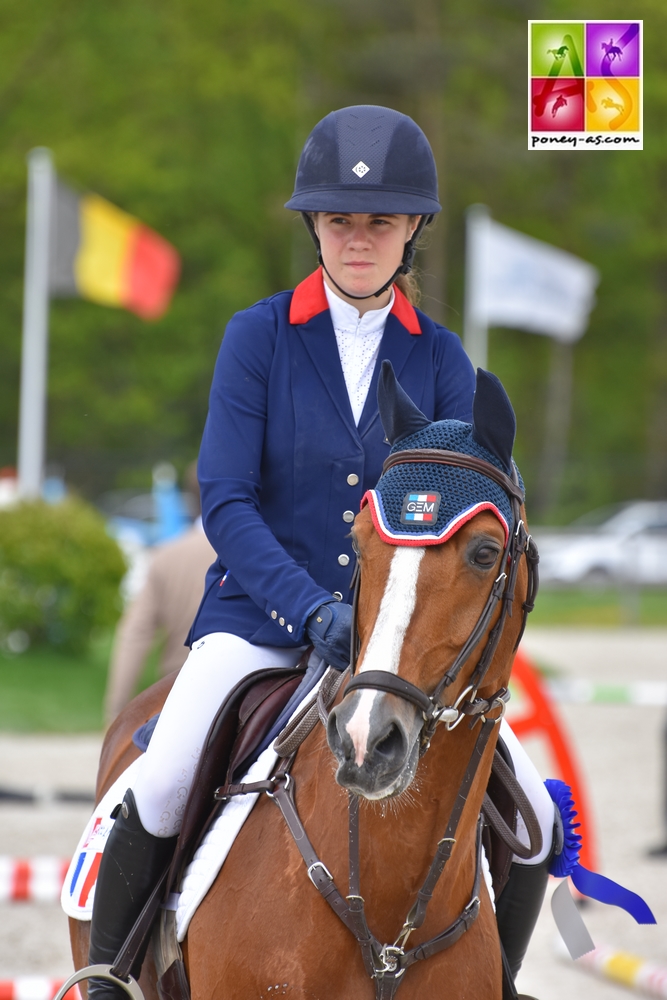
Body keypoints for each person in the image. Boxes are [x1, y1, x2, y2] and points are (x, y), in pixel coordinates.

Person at [87, 105, 555, 998]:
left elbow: (467, 504)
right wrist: (309, 609)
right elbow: (224, 499)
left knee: (532, 814)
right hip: (259, 620)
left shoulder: (442, 358)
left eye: (379, 221)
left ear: (412, 228)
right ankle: (107, 974)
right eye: (340, 219)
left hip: (398, 640)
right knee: (166, 770)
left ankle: (498, 979)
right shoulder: (257, 337)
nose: (358, 237)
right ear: (315, 224)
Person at [103, 466, 215, 724]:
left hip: (177, 694)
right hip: (252, 699)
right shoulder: (270, 556)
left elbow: (135, 635)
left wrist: (115, 713)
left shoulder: (166, 557)